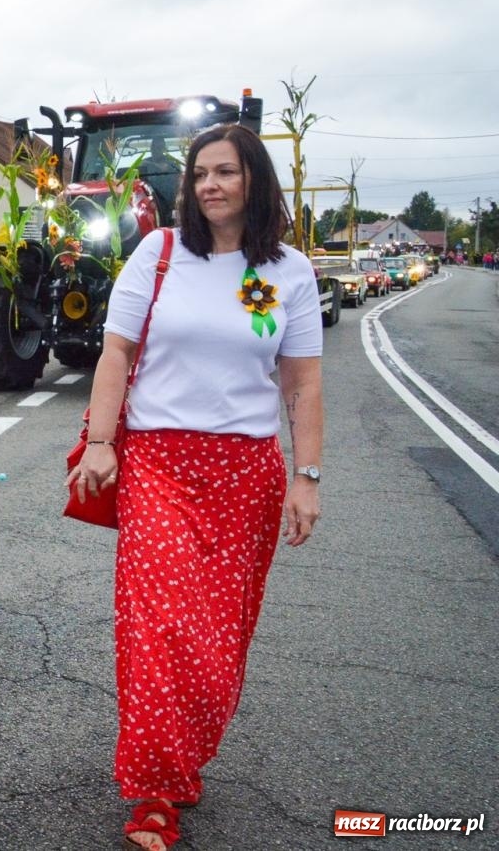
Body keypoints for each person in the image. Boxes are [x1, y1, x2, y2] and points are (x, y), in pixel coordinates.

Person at [67, 123, 323, 851]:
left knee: (217, 645)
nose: (209, 185)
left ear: (255, 182)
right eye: (201, 173)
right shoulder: (160, 252)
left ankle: (181, 751)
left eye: (226, 172)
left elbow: (302, 386)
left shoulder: (290, 273)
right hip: (156, 464)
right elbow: (115, 351)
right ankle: (155, 791)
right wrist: (103, 441)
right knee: (158, 627)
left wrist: (306, 477)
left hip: (247, 473)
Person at [136, 136, 183, 221]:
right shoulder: (143, 165)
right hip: (150, 205)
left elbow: (180, 184)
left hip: (172, 203)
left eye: (160, 147)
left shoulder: (173, 164)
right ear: (151, 148)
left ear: (164, 148)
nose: (157, 149)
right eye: (154, 147)